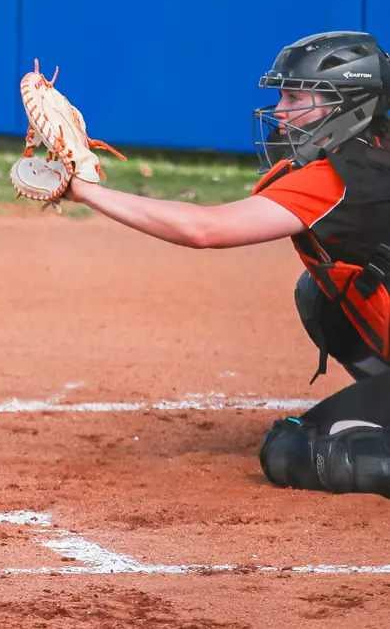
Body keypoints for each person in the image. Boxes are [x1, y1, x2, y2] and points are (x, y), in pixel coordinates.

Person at [54, 31, 390, 498]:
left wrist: (85, 190)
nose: (279, 111)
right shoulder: (374, 150)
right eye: (282, 95)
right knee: (317, 295)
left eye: (296, 97)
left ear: (350, 104)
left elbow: (204, 229)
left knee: (294, 450)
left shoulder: (336, 178)